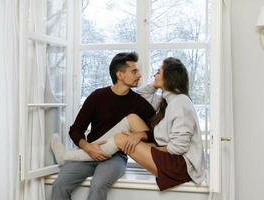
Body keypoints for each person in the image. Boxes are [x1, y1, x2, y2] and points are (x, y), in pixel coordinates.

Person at [51, 57, 206, 191]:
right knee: (130, 121)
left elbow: (179, 148)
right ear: (120, 74)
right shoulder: (166, 100)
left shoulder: (180, 103)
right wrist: (157, 82)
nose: (153, 74)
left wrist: (150, 146)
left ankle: (68, 155)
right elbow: (143, 94)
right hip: (172, 161)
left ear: (169, 77)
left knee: (122, 139)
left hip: (180, 167)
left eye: (158, 72)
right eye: (134, 71)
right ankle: (88, 150)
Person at [50, 52, 155, 200]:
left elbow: (157, 132)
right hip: (88, 151)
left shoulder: (138, 103)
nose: (139, 75)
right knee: (59, 185)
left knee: (98, 186)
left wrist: (141, 134)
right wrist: (87, 147)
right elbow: (75, 130)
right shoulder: (97, 96)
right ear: (120, 75)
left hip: (115, 157)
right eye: (134, 71)